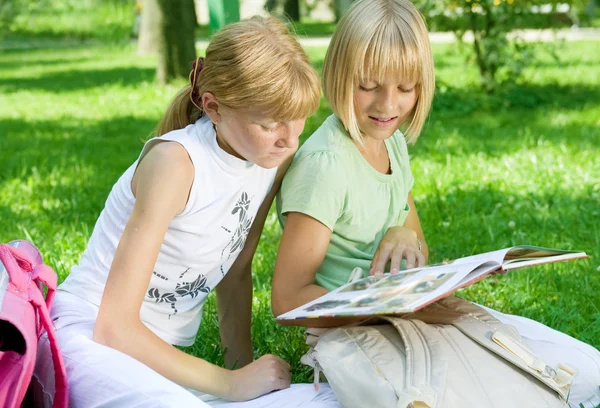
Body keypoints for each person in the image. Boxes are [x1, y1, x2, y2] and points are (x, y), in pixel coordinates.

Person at [271, 0, 600, 406]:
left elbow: (418, 250)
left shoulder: (390, 142)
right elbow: (287, 299)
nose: (387, 105)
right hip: (358, 333)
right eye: (368, 85)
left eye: (405, 89)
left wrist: (402, 237)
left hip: (408, 317)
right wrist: (378, 305)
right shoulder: (326, 166)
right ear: (338, 74)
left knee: (585, 372)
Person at [33, 16, 339, 408]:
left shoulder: (269, 159)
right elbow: (115, 328)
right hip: (88, 341)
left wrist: (245, 379)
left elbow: (236, 272)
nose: (291, 140)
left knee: (337, 398)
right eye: (270, 124)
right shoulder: (176, 164)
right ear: (214, 107)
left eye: (300, 121)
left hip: (162, 364)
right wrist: (230, 384)